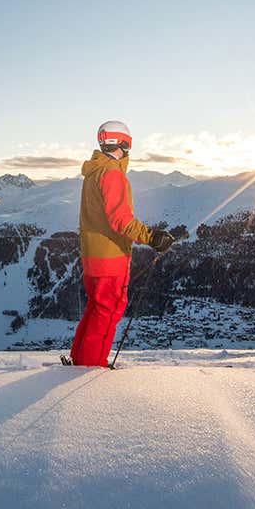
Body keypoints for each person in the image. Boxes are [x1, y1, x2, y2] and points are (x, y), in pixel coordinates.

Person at [65, 121, 175, 367]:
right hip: (110, 255)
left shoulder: (94, 172)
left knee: (97, 307)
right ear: (125, 144)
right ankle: (91, 366)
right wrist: (151, 237)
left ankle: (80, 359)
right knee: (109, 309)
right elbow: (120, 220)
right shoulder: (112, 175)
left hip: (92, 254)